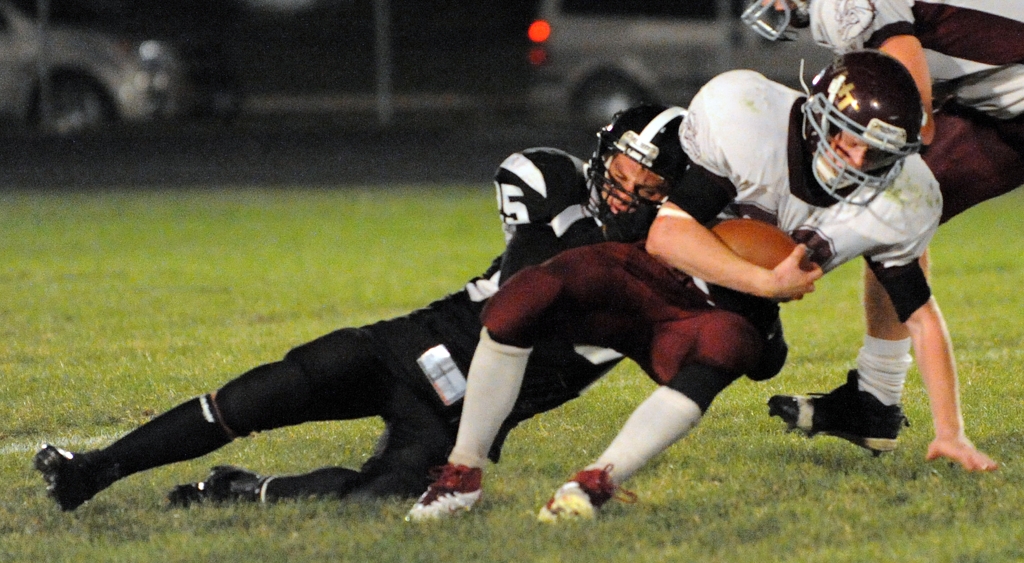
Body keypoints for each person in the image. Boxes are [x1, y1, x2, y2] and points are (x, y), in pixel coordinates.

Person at [406, 49, 995, 524]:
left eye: (877, 152)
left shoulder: (904, 197)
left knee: (726, 349)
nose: (855, 158)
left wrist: (951, 431)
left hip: (738, 306)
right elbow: (667, 238)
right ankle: (463, 472)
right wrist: (768, 278)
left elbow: (918, 312)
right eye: (845, 137)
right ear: (816, 114)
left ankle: (596, 482)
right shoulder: (746, 113)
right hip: (663, 261)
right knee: (522, 300)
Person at [32, 104, 688, 512]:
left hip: (461, 419)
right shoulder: (556, 184)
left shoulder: (668, 278)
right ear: (602, 155)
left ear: (674, 196)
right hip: (415, 346)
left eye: (647, 184)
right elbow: (524, 279)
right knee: (259, 394)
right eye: (621, 171)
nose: (625, 191)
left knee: (378, 501)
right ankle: (92, 469)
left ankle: (239, 490)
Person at [741, 0, 1021, 460]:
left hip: (1011, 99)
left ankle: (875, 400)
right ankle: (875, 401)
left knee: (884, 204)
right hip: (1001, 101)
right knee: (888, 214)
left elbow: (912, 96)